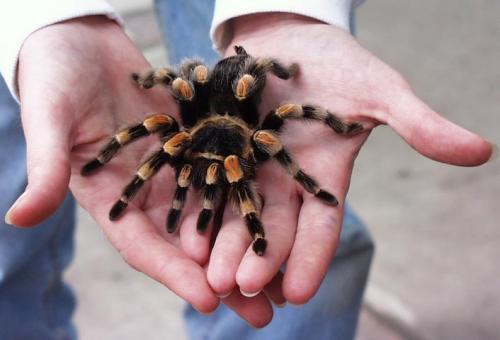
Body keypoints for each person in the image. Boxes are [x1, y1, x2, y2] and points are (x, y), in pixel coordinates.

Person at [0, 1, 493, 339]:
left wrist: (285, 10)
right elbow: (173, 87)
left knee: (293, 246)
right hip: (198, 114)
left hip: (238, 112)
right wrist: (51, 17)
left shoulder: (258, 132)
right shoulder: (184, 135)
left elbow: (295, 118)